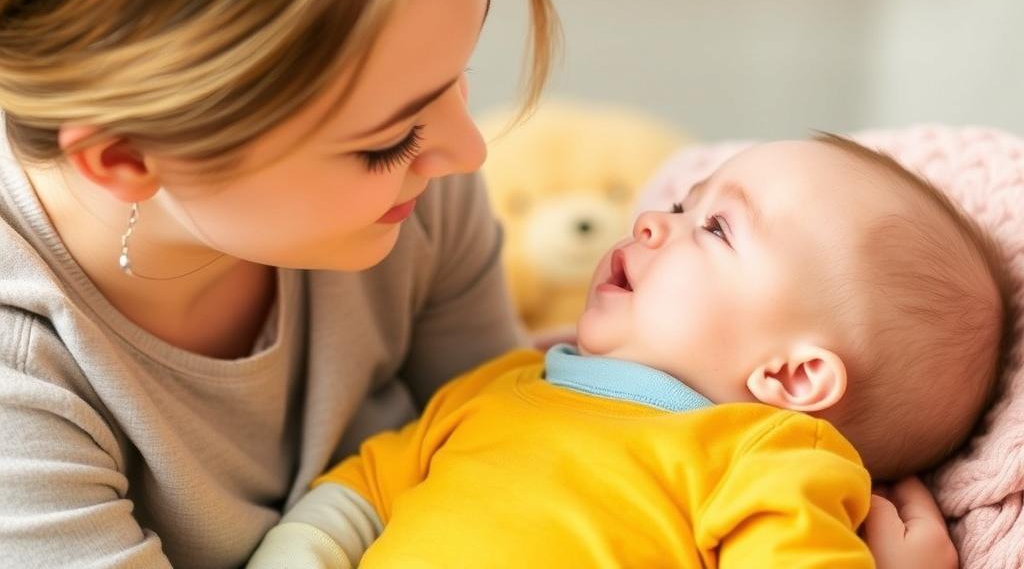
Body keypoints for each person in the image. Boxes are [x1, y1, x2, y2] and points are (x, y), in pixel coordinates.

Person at [0, 0, 959, 567]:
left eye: (460, 75)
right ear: (124, 158)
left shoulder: (420, 200)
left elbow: (513, 431)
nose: (468, 152)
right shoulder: (22, 376)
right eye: (389, 137)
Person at [247, 135, 1010, 568]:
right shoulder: (505, 384)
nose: (652, 220)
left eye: (715, 228)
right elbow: (356, 498)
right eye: (682, 201)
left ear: (793, 373)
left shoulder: (766, 457)